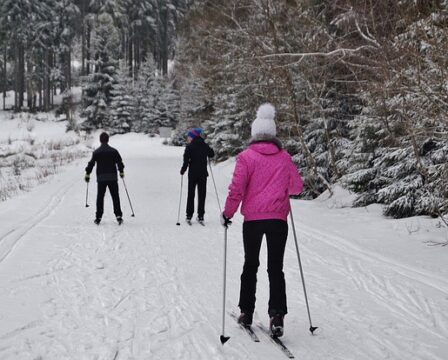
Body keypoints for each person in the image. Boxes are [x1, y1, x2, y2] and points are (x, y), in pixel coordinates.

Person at [221, 103, 303, 337]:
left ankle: (246, 311)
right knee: (275, 268)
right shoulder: (284, 157)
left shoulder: (246, 157)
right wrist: (282, 186)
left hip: (253, 221)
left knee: (250, 264)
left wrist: (228, 213)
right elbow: (297, 187)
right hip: (278, 220)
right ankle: (277, 316)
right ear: (273, 133)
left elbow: (236, 189)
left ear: (255, 134)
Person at [85, 132, 125, 225]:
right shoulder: (114, 151)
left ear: (100, 140)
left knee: (100, 197)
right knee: (115, 197)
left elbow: (91, 164)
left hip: (101, 178)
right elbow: (119, 162)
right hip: (112, 178)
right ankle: (118, 216)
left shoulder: (96, 152)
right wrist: (121, 171)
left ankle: (98, 217)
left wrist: (87, 174)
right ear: (108, 140)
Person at [180, 128, 215, 225]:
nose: (188, 138)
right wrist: (207, 148)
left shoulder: (189, 146)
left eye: (189, 136)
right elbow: (212, 154)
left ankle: (189, 215)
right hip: (203, 174)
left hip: (192, 174)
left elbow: (186, 161)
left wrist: (183, 170)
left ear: (193, 136)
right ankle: (201, 216)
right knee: (202, 195)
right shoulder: (204, 145)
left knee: (191, 194)